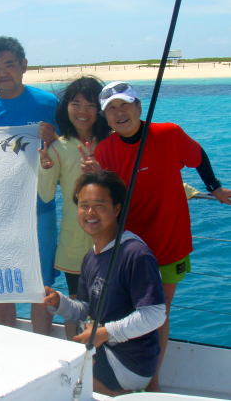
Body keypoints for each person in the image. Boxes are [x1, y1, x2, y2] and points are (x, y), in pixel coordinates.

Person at [84, 81, 231, 391]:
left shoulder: (169, 134)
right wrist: (94, 174)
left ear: (139, 107)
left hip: (169, 242)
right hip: (127, 247)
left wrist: (215, 188)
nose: (120, 113)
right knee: (126, 312)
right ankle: (125, 376)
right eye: (112, 109)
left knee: (158, 312)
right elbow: (107, 201)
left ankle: (153, 382)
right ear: (106, 117)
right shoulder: (105, 150)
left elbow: (198, 156)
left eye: (125, 105)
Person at [44, 170, 166, 396]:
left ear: (117, 209)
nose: (90, 212)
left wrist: (105, 333)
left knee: (56, 379)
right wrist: (58, 302)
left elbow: (155, 314)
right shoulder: (90, 257)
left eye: (99, 205)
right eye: (84, 205)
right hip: (103, 349)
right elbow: (86, 309)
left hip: (130, 362)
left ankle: (117, 396)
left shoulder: (135, 254)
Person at [0, 36, 59, 335]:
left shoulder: (49, 104)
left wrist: (54, 139)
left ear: (24, 65)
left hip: (40, 208)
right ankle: (4, 347)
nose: (2, 72)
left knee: (41, 286)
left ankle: (43, 347)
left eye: (9, 64)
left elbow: (68, 147)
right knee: (2, 285)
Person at [38, 77, 111, 339]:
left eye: (90, 105)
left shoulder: (112, 142)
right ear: (66, 107)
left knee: (110, 303)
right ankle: (76, 354)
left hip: (110, 239)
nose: (83, 111)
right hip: (74, 242)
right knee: (74, 306)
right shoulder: (59, 146)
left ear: (100, 109)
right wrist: (45, 165)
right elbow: (46, 194)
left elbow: (125, 188)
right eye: (76, 103)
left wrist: (101, 173)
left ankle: (103, 358)